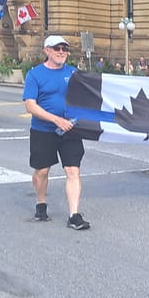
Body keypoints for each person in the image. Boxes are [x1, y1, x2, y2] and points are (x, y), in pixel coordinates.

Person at [22, 35, 91, 230]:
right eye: (57, 48)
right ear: (47, 51)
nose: (62, 52)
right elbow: (30, 106)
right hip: (43, 131)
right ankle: (41, 203)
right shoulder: (35, 75)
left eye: (64, 49)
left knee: (72, 171)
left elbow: (90, 95)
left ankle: (74, 215)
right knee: (42, 171)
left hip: (70, 131)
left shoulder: (74, 73)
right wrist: (55, 119)